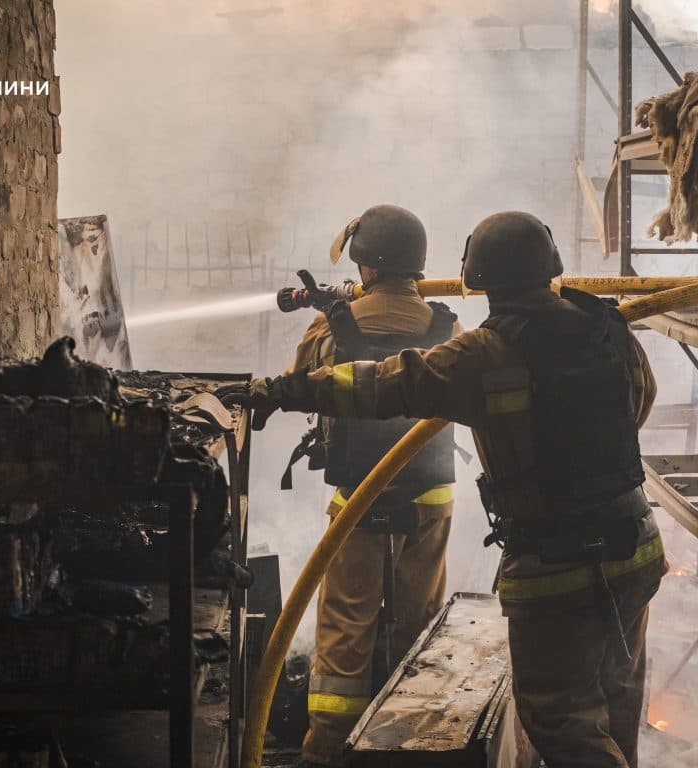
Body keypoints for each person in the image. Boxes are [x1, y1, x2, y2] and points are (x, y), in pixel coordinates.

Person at [234, 211, 666, 768]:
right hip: (634, 548)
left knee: (562, 720)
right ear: (550, 264)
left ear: (479, 276)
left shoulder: (485, 354)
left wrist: (282, 390)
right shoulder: (609, 329)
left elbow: (384, 383)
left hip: (555, 567)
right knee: (617, 703)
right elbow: (640, 403)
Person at [281, 204, 461, 768]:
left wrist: (333, 312)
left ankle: (324, 750)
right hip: (430, 498)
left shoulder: (333, 326)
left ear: (367, 266)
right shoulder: (447, 326)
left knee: (345, 625)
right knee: (421, 621)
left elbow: (302, 380)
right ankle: (408, 745)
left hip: (357, 498)